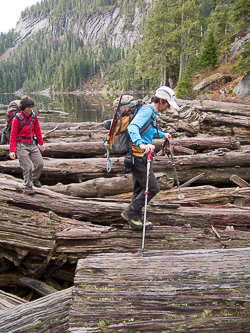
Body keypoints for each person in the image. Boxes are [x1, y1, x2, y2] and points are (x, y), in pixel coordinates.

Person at [121, 86, 179, 230]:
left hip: (138, 156)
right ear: (161, 101)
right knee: (153, 188)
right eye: (167, 105)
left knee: (139, 188)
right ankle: (130, 211)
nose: (167, 108)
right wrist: (141, 144)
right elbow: (133, 127)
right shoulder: (147, 111)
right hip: (139, 156)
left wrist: (162, 134)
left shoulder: (150, 111)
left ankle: (137, 218)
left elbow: (148, 131)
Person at [9, 96, 45, 195]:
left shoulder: (34, 116)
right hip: (21, 145)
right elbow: (12, 136)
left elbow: (37, 130)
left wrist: (41, 143)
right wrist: (12, 150)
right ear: (23, 107)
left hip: (32, 144)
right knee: (27, 167)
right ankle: (28, 186)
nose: (31, 109)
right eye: (29, 107)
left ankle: (34, 179)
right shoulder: (17, 119)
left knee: (40, 163)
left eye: (32, 107)